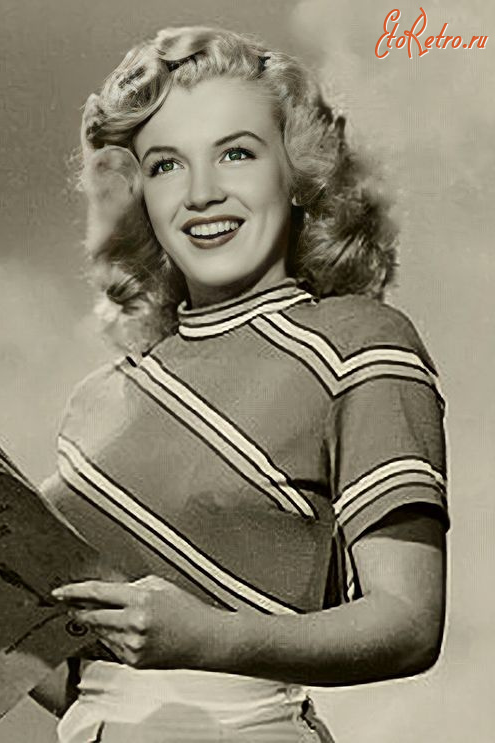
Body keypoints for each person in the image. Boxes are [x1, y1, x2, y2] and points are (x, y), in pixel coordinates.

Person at [30, 26, 449, 742]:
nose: (200, 193)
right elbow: (75, 682)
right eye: (166, 165)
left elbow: (410, 622)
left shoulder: (359, 342)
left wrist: (208, 639)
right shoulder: (97, 397)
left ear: (299, 174)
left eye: (236, 154)